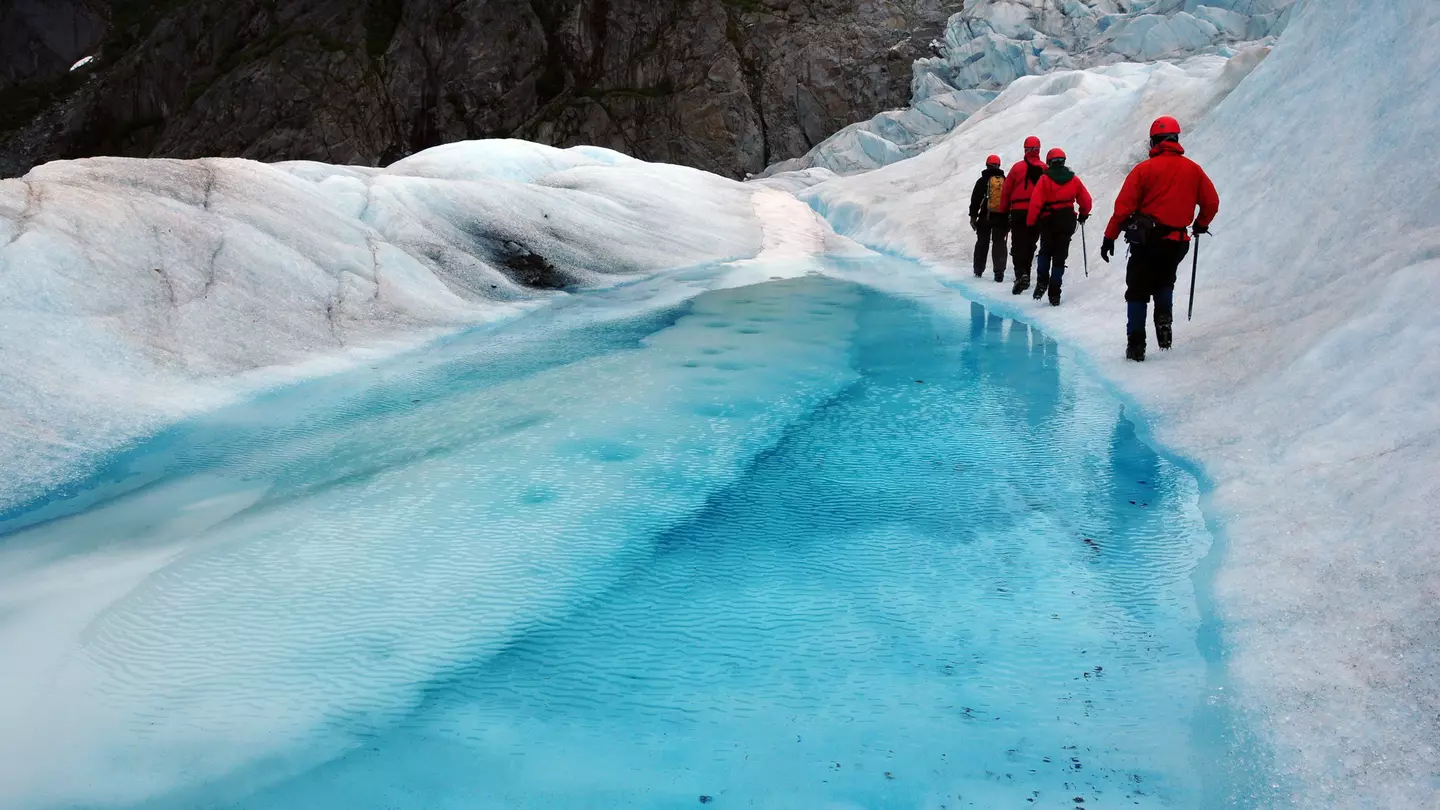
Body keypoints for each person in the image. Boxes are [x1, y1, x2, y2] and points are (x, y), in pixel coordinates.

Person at [1100, 116, 1219, 361]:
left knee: (1137, 291)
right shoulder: (1193, 170)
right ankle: (1164, 323)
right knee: (1165, 281)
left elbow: (1122, 209)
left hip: (1146, 242)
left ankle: (1136, 344)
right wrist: (1200, 224)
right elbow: (1211, 202)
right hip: (1177, 242)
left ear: (1154, 141)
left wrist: (1109, 237)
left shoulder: (1143, 170)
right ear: (1176, 139)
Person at [1026, 147, 1092, 306]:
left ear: (1049, 162)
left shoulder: (1045, 179)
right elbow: (1086, 200)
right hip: (1067, 221)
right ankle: (1055, 292)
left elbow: (1035, 203)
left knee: (1045, 252)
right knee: (1059, 258)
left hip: (1049, 222)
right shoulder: (1073, 179)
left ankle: (1042, 281)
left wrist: (1030, 223)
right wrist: (1083, 213)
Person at [1000, 136, 1046, 295]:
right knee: (1031, 244)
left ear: (1025, 149)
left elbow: (1006, 192)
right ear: (1039, 149)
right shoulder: (1045, 169)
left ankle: (1021, 275)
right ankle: (1026, 272)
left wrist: (1003, 213)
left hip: (1018, 211)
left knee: (1018, 244)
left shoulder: (1017, 168)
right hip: (1038, 211)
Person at [968, 155, 1009, 280]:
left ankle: (978, 271)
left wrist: (973, 217)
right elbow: (1009, 200)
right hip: (1001, 217)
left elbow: (975, 200)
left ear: (987, 165)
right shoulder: (1005, 180)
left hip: (985, 216)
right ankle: (999, 273)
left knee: (982, 243)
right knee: (999, 244)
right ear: (999, 165)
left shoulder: (982, 181)